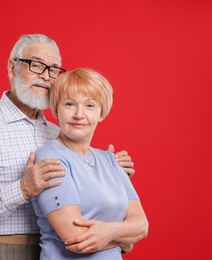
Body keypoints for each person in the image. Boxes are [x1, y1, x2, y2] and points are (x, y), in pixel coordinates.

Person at [0, 34, 135, 260]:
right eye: (36, 65)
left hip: (58, 250)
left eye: (53, 69)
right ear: (13, 67)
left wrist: (106, 172)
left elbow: (81, 201)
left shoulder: (57, 132)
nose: (45, 76)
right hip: (3, 251)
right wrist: (21, 189)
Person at [31, 68, 148, 259]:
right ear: (56, 109)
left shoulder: (111, 160)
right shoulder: (50, 158)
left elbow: (142, 226)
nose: (79, 114)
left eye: (90, 106)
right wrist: (125, 239)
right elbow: (76, 238)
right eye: (69, 104)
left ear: (101, 112)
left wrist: (109, 232)